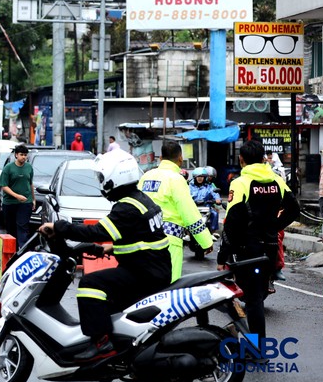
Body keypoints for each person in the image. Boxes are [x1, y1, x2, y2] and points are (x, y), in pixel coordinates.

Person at [39, 149, 172, 361]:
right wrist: (112, 248)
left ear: (114, 178)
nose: (101, 183)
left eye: (102, 178)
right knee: (108, 302)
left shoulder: (126, 207)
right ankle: (126, 347)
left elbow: (98, 232)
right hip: (153, 268)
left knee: (89, 285)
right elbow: (141, 237)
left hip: (144, 273)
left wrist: (60, 227)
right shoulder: (140, 199)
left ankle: (101, 344)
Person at [217, 140, 299, 338]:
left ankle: (256, 348)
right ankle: (252, 343)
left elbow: (232, 222)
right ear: (263, 159)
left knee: (250, 299)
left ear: (241, 159)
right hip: (270, 248)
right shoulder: (276, 180)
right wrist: (274, 226)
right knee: (255, 299)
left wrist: (222, 256)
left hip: (247, 251)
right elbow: (294, 209)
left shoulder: (240, 183)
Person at [138, 140, 212, 281]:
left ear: (160, 158)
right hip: (169, 242)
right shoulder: (176, 180)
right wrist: (205, 241)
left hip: (143, 240)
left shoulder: (146, 177)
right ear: (180, 158)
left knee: (145, 285)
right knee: (168, 287)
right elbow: (189, 213)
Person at [0, 144, 34, 250]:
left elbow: (30, 183)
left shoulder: (29, 167)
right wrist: (17, 196)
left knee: (22, 227)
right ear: (16, 155)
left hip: (25, 203)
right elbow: (4, 186)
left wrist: (33, 199)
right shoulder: (8, 168)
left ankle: (22, 250)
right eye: (21, 154)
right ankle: (12, 252)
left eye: (25, 155)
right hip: (10, 203)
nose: (24, 157)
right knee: (11, 228)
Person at [189, 167, 222, 234]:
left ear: (204, 177)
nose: (200, 178)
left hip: (206, 207)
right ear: (195, 177)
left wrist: (217, 199)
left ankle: (212, 232)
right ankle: (187, 233)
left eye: (202, 176)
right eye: (198, 176)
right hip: (192, 207)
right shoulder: (190, 186)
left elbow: (215, 193)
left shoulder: (209, 186)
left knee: (215, 214)